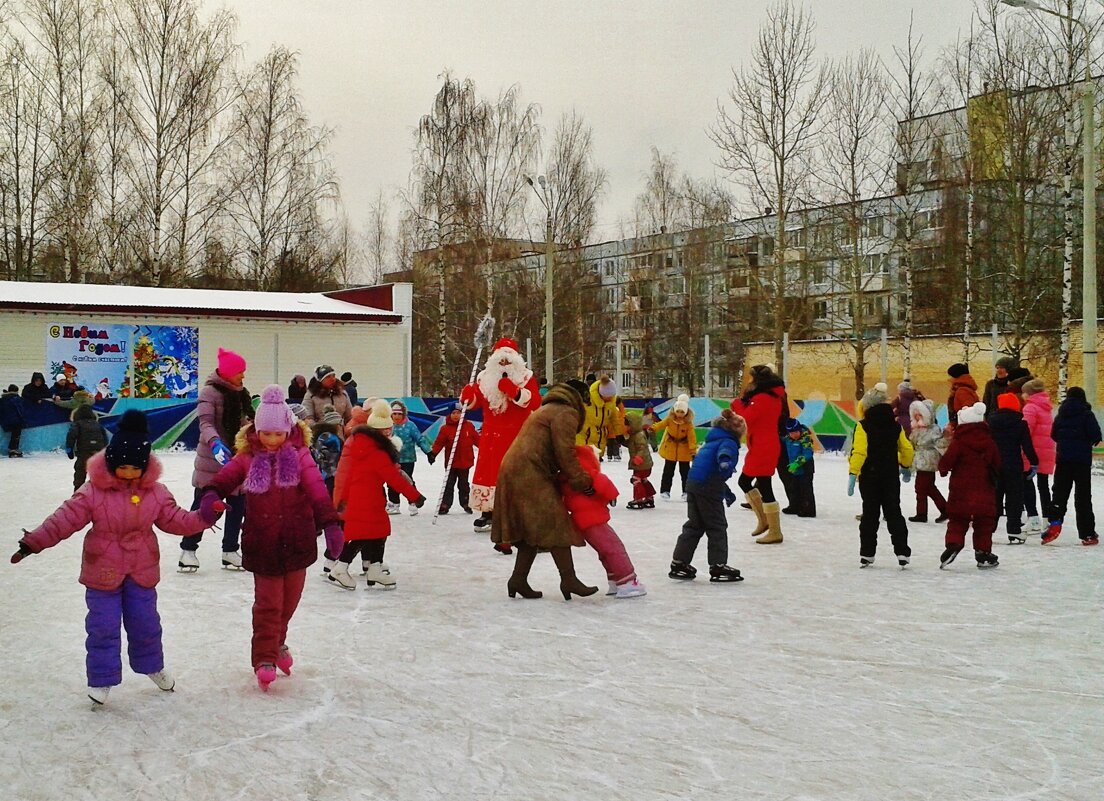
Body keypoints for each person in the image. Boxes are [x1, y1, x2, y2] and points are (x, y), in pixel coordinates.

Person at [12, 409, 221, 705]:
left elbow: (177, 520)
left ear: (144, 465)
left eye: (134, 467)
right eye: (121, 467)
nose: (128, 472)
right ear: (110, 463)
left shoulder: (156, 493)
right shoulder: (93, 492)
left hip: (141, 569)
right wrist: (34, 542)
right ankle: (101, 679)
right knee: (102, 627)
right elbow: (64, 519)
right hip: (102, 571)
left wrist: (204, 516)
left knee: (146, 624)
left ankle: (153, 666)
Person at [201, 385, 343, 691]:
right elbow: (223, 480)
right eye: (266, 433)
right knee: (267, 604)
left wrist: (330, 523)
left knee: (289, 602)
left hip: (297, 540)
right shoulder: (248, 456)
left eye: (278, 434)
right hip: (262, 541)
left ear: (288, 430)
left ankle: (278, 642)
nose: (273, 440)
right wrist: (211, 496)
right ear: (257, 430)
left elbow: (318, 489)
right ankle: (264, 657)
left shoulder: (301, 455)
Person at [492, 382, 598, 601]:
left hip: (516, 468)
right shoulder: (565, 412)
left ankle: (518, 579)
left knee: (531, 529)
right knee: (555, 523)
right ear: (579, 399)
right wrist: (582, 480)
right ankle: (569, 580)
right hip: (529, 472)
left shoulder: (548, 409)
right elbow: (565, 453)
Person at [327, 399, 426, 590]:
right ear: (375, 431)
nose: (388, 433)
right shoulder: (376, 452)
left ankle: (374, 568)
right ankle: (340, 567)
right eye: (384, 430)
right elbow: (394, 479)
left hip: (368, 498)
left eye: (390, 429)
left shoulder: (367, 444)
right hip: (364, 500)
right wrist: (415, 496)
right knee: (362, 535)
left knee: (379, 532)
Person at [180, 347, 254, 573]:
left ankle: (230, 550)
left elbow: (246, 422)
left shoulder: (241, 393)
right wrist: (214, 443)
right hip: (212, 462)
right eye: (240, 371)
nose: (243, 376)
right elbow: (205, 423)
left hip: (237, 457)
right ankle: (188, 550)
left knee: (238, 506)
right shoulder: (209, 393)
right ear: (227, 372)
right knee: (205, 506)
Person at [459, 337, 541, 537]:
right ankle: (488, 512)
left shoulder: (526, 378)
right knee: (488, 472)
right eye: (501, 360)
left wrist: (514, 391)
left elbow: (535, 403)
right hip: (491, 436)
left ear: (516, 360)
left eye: (508, 360)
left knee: (515, 473)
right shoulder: (484, 378)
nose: (504, 364)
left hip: (517, 435)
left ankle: (517, 513)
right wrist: (469, 396)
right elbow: (474, 403)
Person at [668, 408, 747, 583]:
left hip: (695, 484)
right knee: (717, 526)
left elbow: (706, 467)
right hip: (708, 486)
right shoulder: (728, 441)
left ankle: (679, 562)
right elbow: (723, 455)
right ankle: (718, 566)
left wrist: (724, 489)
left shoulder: (711, 440)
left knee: (694, 525)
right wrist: (725, 461)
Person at [560, 444, 647, 598]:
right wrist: (611, 496)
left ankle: (614, 579)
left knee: (604, 550)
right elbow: (604, 483)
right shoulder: (588, 472)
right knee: (613, 547)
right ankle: (627, 581)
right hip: (594, 518)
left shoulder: (568, 478)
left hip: (581, 520)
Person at [847, 384, 914, 568]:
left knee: (870, 514)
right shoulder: (896, 426)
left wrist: (853, 473)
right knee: (894, 513)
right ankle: (902, 552)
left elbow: (860, 451)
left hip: (869, 477)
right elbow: (906, 448)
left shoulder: (863, 426)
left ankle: (867, 554)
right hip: (890, 476)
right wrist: (906, 466)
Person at [937, 401, 1001, 569]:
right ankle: (983, 552)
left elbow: (946, 462)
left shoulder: (958, 442)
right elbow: (998, 464)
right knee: (984, 523)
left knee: (958, 519)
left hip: (961, 491)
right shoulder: (990, 442)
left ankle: (953, 544)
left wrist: (943, 470)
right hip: (985, 490)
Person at [732, 364, 786, 544]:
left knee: (759, 484)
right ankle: (765, 522)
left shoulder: (764, 397)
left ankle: (772, 528)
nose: (749, 381)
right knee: (754, 483)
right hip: (763, 444)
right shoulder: (771, 396)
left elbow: (746, 418)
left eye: (751, 378)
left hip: (764, 446)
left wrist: (737, 404)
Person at [1043, 387, 1102, 546]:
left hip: (1063, 460)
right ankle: (1087, 533)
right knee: (1083, 497)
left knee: (1059, 493)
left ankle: (1054, 524)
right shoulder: (1086, 414)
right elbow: (1096, 435)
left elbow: (1054, 435)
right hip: (1082, 462)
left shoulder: (1061, 415)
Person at [987, 393, 1038, 545]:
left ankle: (988, 529)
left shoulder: (990, 422)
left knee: (995, 498)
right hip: (1014, 465)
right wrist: (1034, 462)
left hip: (995, 465)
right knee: (1014, 498)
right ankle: (1014, 530)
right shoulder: (1020, 423)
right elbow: (1027, 446)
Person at [387, 400, 434, 515]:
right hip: (391, 459)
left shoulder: (410, 425)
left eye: (399, 414)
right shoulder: (388, 426)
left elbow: (420, 439)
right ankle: (394, 503)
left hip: (408, 459)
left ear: (403, 414)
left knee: (407, 480)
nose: (397, 417)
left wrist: (428, 452)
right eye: (394, 414)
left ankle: (413, 501)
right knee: (392, 482)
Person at [1020, 378, 1055, 535]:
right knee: (1043, 486)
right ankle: (1047, 520)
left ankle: (1033, 518)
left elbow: (1025, 431)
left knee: (1027, 483)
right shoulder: (1046, 407)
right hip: (1046, 450)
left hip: (1032, 451)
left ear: (1029, 394)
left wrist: (1021, 449)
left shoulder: (1030, 408)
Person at [431, 403, 479, 515]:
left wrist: (486, 449)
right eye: (453, 413)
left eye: (458, 413)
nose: (456, 415)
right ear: (450, 414)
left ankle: (466, 502)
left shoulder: (468, 426)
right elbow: (438, 443)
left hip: (465, 462)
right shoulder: (445, 429)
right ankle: (445, 504)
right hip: (451, 463)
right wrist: (433, 454)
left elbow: (477, 440)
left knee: (463, 484)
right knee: (449, 484)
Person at [907, 399, 949, 524]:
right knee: (928, 487)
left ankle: (925, 513)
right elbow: (912, 442)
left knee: (922, 488)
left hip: (928, 462)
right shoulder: (918, 429)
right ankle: (937, 511)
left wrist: (946, 437)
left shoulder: (933, 429)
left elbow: (940, 443)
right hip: (920, 461)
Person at [652, 394, 697, 502]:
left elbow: (692, 438)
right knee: (668, 471)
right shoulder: (670, 419)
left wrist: (693, 451)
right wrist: (653, 428)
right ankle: (665, 491)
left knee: (685, 472)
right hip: (671, 449)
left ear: (686, 412)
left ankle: (686, 491)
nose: (680, 414)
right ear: (674, 411)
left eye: (682, 412)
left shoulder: (688, 424)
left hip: (684, 450)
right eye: (678, 411)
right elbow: (661, 424)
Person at [66, 404, 108, 491]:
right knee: (97, 472)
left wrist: (69, 450)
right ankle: (99, 491)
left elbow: (71, 436)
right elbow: (105, 439)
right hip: (98, 452)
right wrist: (104, 452)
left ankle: (78, 491)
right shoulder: (98, 424)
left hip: (84, 452)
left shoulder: (77, 424)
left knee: (80, 471)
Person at [782, 418, 816, 517]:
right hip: (795, 470)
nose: (794, 435)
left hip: (806, 469)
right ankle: (795, 506)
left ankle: (809, 510)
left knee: (806, 490)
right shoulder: (788, 439)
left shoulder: (805, 439)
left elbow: (808, 454)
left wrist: (797, 463)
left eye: (796, 432)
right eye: (791, 433)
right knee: (795, 489)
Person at [310, 405, 345, 497]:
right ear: (338, 425)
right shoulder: (333, 439)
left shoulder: (320, 437)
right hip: (333, 475)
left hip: (323, 474)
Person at [578, 374, 620, 453]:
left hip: (600, 445)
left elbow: (615, 420)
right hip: (584, 444)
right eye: (608, 397)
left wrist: (619, 434)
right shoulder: (586, 402)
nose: (610, 399)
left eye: (612, 396)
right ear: (602, 394)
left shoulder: (611, 402)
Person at [624, 411, 656, 509]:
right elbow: (631, 445)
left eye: (626, 425)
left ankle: (638, 499)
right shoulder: (635, 435)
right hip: (645, 464)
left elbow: (642, 447)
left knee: (636, 480)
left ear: (632, 425)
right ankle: (649, 497)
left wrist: (638, 458)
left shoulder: (638, 435)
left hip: (641, 464)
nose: (625, 427)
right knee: (643, 480)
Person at [982, 357, 1016, 422]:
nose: (999, 370)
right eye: (997, 368)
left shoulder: (1013, 385)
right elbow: (986, 402)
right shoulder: (991, 384)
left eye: (1002, 368)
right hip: (992, 419)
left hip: (1009, 420)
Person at [946, 363, 980, 429]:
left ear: (956, 377)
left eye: (950, 376)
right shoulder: (965, 389)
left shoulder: (962, 392)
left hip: (965, 429)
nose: (949, 379)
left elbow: (969, 413)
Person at [1, 384, 26, 457]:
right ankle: (13, 449)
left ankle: (12, 449)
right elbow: (20, 409)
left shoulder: (4, 398)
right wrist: (23, 419)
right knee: (16, 435)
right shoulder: (16, 398)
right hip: (16, 420)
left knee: (14, 435)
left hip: (6, 420)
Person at [605, 396, 627, 461]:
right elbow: (623, 414)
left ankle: (609, 456)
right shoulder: (618, 414)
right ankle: (616, 455)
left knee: (609, 445)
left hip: (609, 433)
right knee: (615, 445)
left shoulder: (608, 413)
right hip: (616, 433)